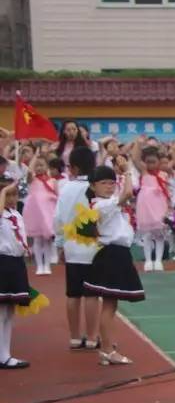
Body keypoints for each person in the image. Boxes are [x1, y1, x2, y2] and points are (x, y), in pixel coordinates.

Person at [83, 165, 145, 365]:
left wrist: (123, 173)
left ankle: (107, 347)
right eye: (104, 183)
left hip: (117, 254)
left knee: (111, 304)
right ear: (93, 186)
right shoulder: (100, 205)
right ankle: (107, 349)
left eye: (111, 182)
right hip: (112, 254)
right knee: (109, 305)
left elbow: (126, 192)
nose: (109, 186)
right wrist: (126, 171)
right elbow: (127, 192)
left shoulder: (106, 203)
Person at [53, 146, 101, 350]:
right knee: (92, 293)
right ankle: (91, 337)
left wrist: (60, 243)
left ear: (73, 167)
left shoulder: (66, 187)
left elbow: (58, 218)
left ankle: (74, 337)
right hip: (93, 246)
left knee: (73, 293)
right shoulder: (97, 187)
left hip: (73, 244)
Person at [0, 180, 32, 369]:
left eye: (14, 195)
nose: (12, 199)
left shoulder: (16, 214)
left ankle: (5, 353)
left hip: (15, 263)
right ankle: (2, 355)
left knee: (10, 311)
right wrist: (3, 190)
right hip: (2, 262)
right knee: (1, 311)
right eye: (7, 195)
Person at [132, 146, 171, 272]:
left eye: (154, 162)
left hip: (159, 205)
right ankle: (148, 260)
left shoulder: (163, 174)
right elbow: (135, 159)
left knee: (159, 234)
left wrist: (169, 207)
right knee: (148, 235)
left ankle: (158, 261)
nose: (151, 164)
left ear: (159, 162)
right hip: (146, 206)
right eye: (148, 162)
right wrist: (138, 144)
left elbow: (167, 192)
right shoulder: (144, 172)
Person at [23, 155, 59, 276]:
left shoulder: (53, 181)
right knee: (37, 240)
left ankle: (47, 265)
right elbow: (28, 171)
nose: (39, 167)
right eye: (37, 165)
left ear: (47, 167)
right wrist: (36, 155)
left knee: (47, 241)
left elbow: (58, 198)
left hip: (49, 214)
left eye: (41, 165)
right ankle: (39, 265)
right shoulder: (32, 179)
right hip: (36, 214)